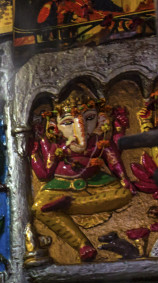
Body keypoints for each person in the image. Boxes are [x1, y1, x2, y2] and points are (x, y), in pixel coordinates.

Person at [29, 91, 136, 261]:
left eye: (89, 118)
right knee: (38, 208)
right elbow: (44, 174)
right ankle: (82, 245)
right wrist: (35, 154)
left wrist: (124, 179)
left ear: (100, 119)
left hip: (97, 184)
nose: (81, 128)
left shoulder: (100, 143)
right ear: (55, 126)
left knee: (125, 194)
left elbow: (114, 161)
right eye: (68, 122)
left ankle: (69, 204)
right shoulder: (58, 146)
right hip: (60, 185)